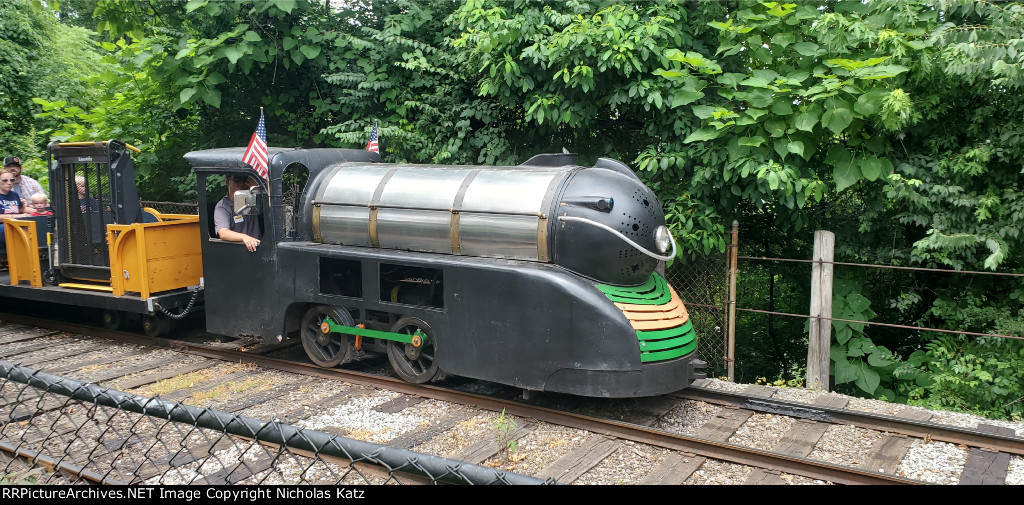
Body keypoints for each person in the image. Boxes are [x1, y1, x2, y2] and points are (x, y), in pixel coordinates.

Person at [213, 174, 262, 252]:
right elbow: (223, 233)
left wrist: (259, 189)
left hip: (259, 247)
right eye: (237, 180)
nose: (241, 183)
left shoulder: (253, 199)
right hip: (237, 251)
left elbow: (270, 207)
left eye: (244, 180)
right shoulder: (222, 207)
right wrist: (244, 238)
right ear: (227, 182)